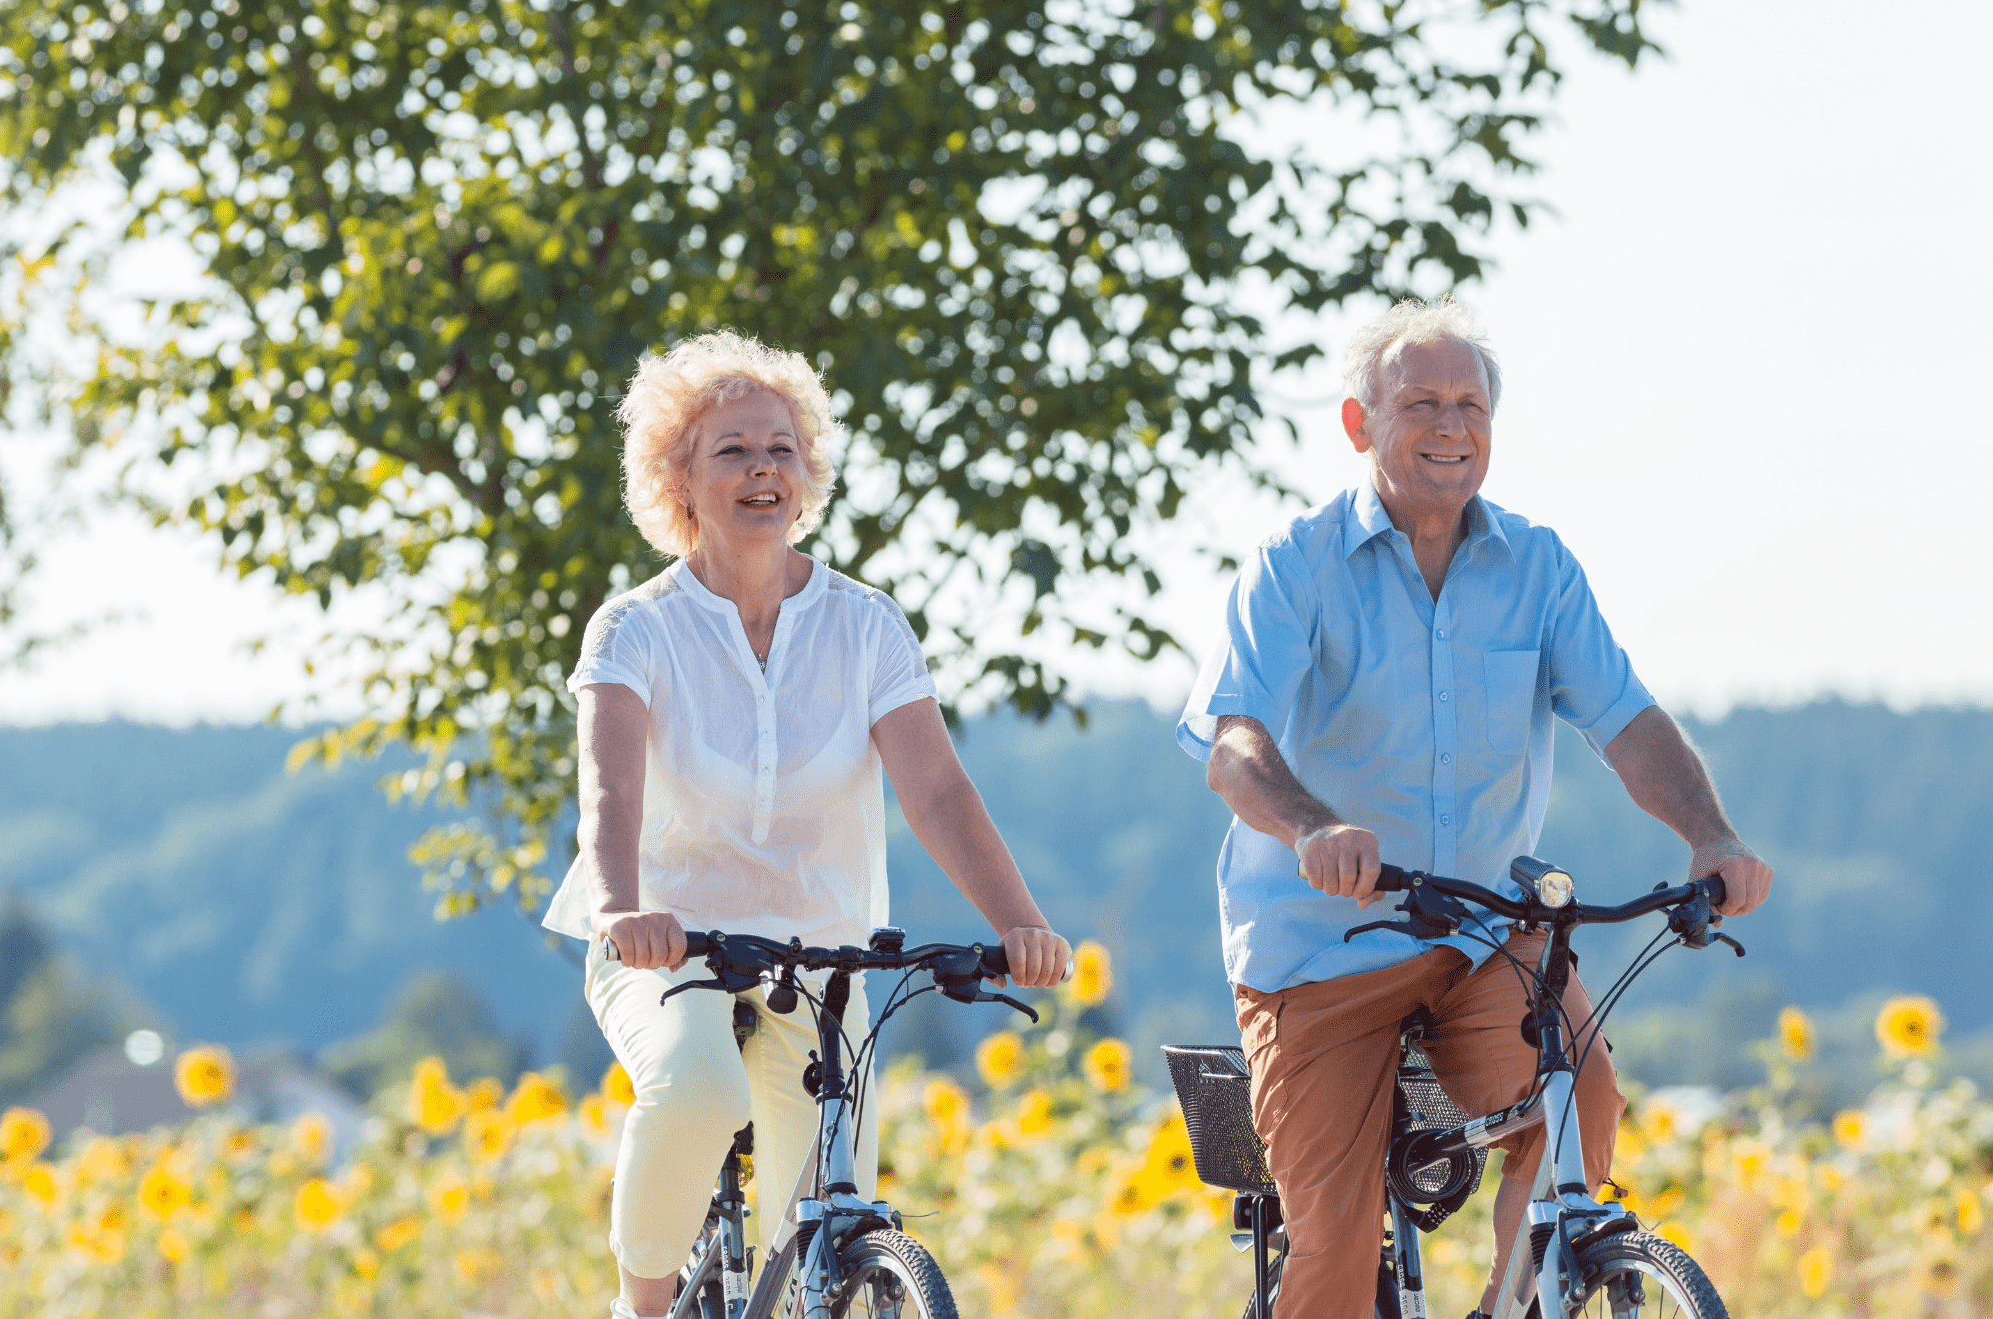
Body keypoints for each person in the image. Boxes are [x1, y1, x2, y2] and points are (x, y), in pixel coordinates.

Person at [1176, 299, 1773, 1318]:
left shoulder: (1536, 567)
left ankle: (1517, 1298)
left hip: (1480, 930)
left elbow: (1625, 722)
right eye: (1420, 403)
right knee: (1329, 1257)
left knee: (1576, 1107)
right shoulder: (1296, 562)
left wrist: (1708, 834)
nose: (1450, 425)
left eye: (1469, 404)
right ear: (1359, 423)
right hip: (1318, 947)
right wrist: (1312, 825)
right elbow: (1231, 744)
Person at [538, 330, 1072, 1319]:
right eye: (731, 450)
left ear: (808, 472)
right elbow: (609, 793)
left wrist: (1017, 922)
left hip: (823, 953)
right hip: (667, 941)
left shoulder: (864, 624)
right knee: (700, 1091)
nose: (761, 469)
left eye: (780, 448)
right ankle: (640, 1305)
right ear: (680, 477)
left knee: (823, 1220)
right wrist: (621, 908)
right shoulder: (634, 628)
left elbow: (938, 791)